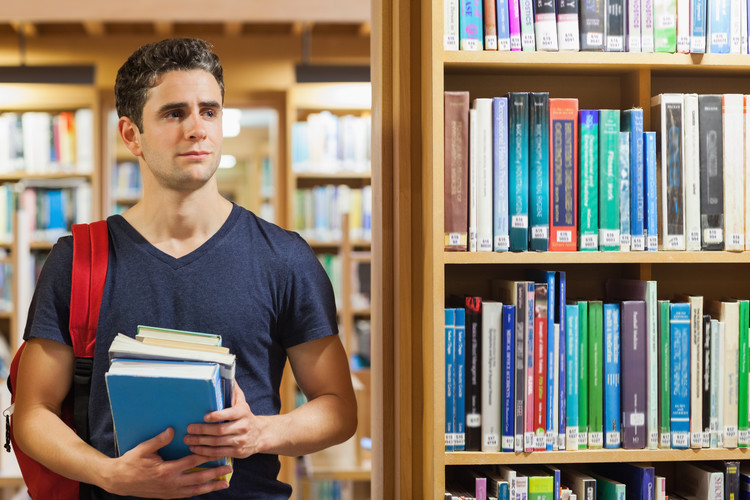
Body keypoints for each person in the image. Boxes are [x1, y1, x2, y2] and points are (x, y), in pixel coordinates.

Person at [12, 37, 357, 499]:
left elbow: (338, 408)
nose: (197, 129)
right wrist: (107, 472)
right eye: (174, 113)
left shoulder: (285, 257)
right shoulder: (77, 259)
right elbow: (33, 412)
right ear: (131, 135)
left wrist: (261, 433)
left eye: (210, 111)